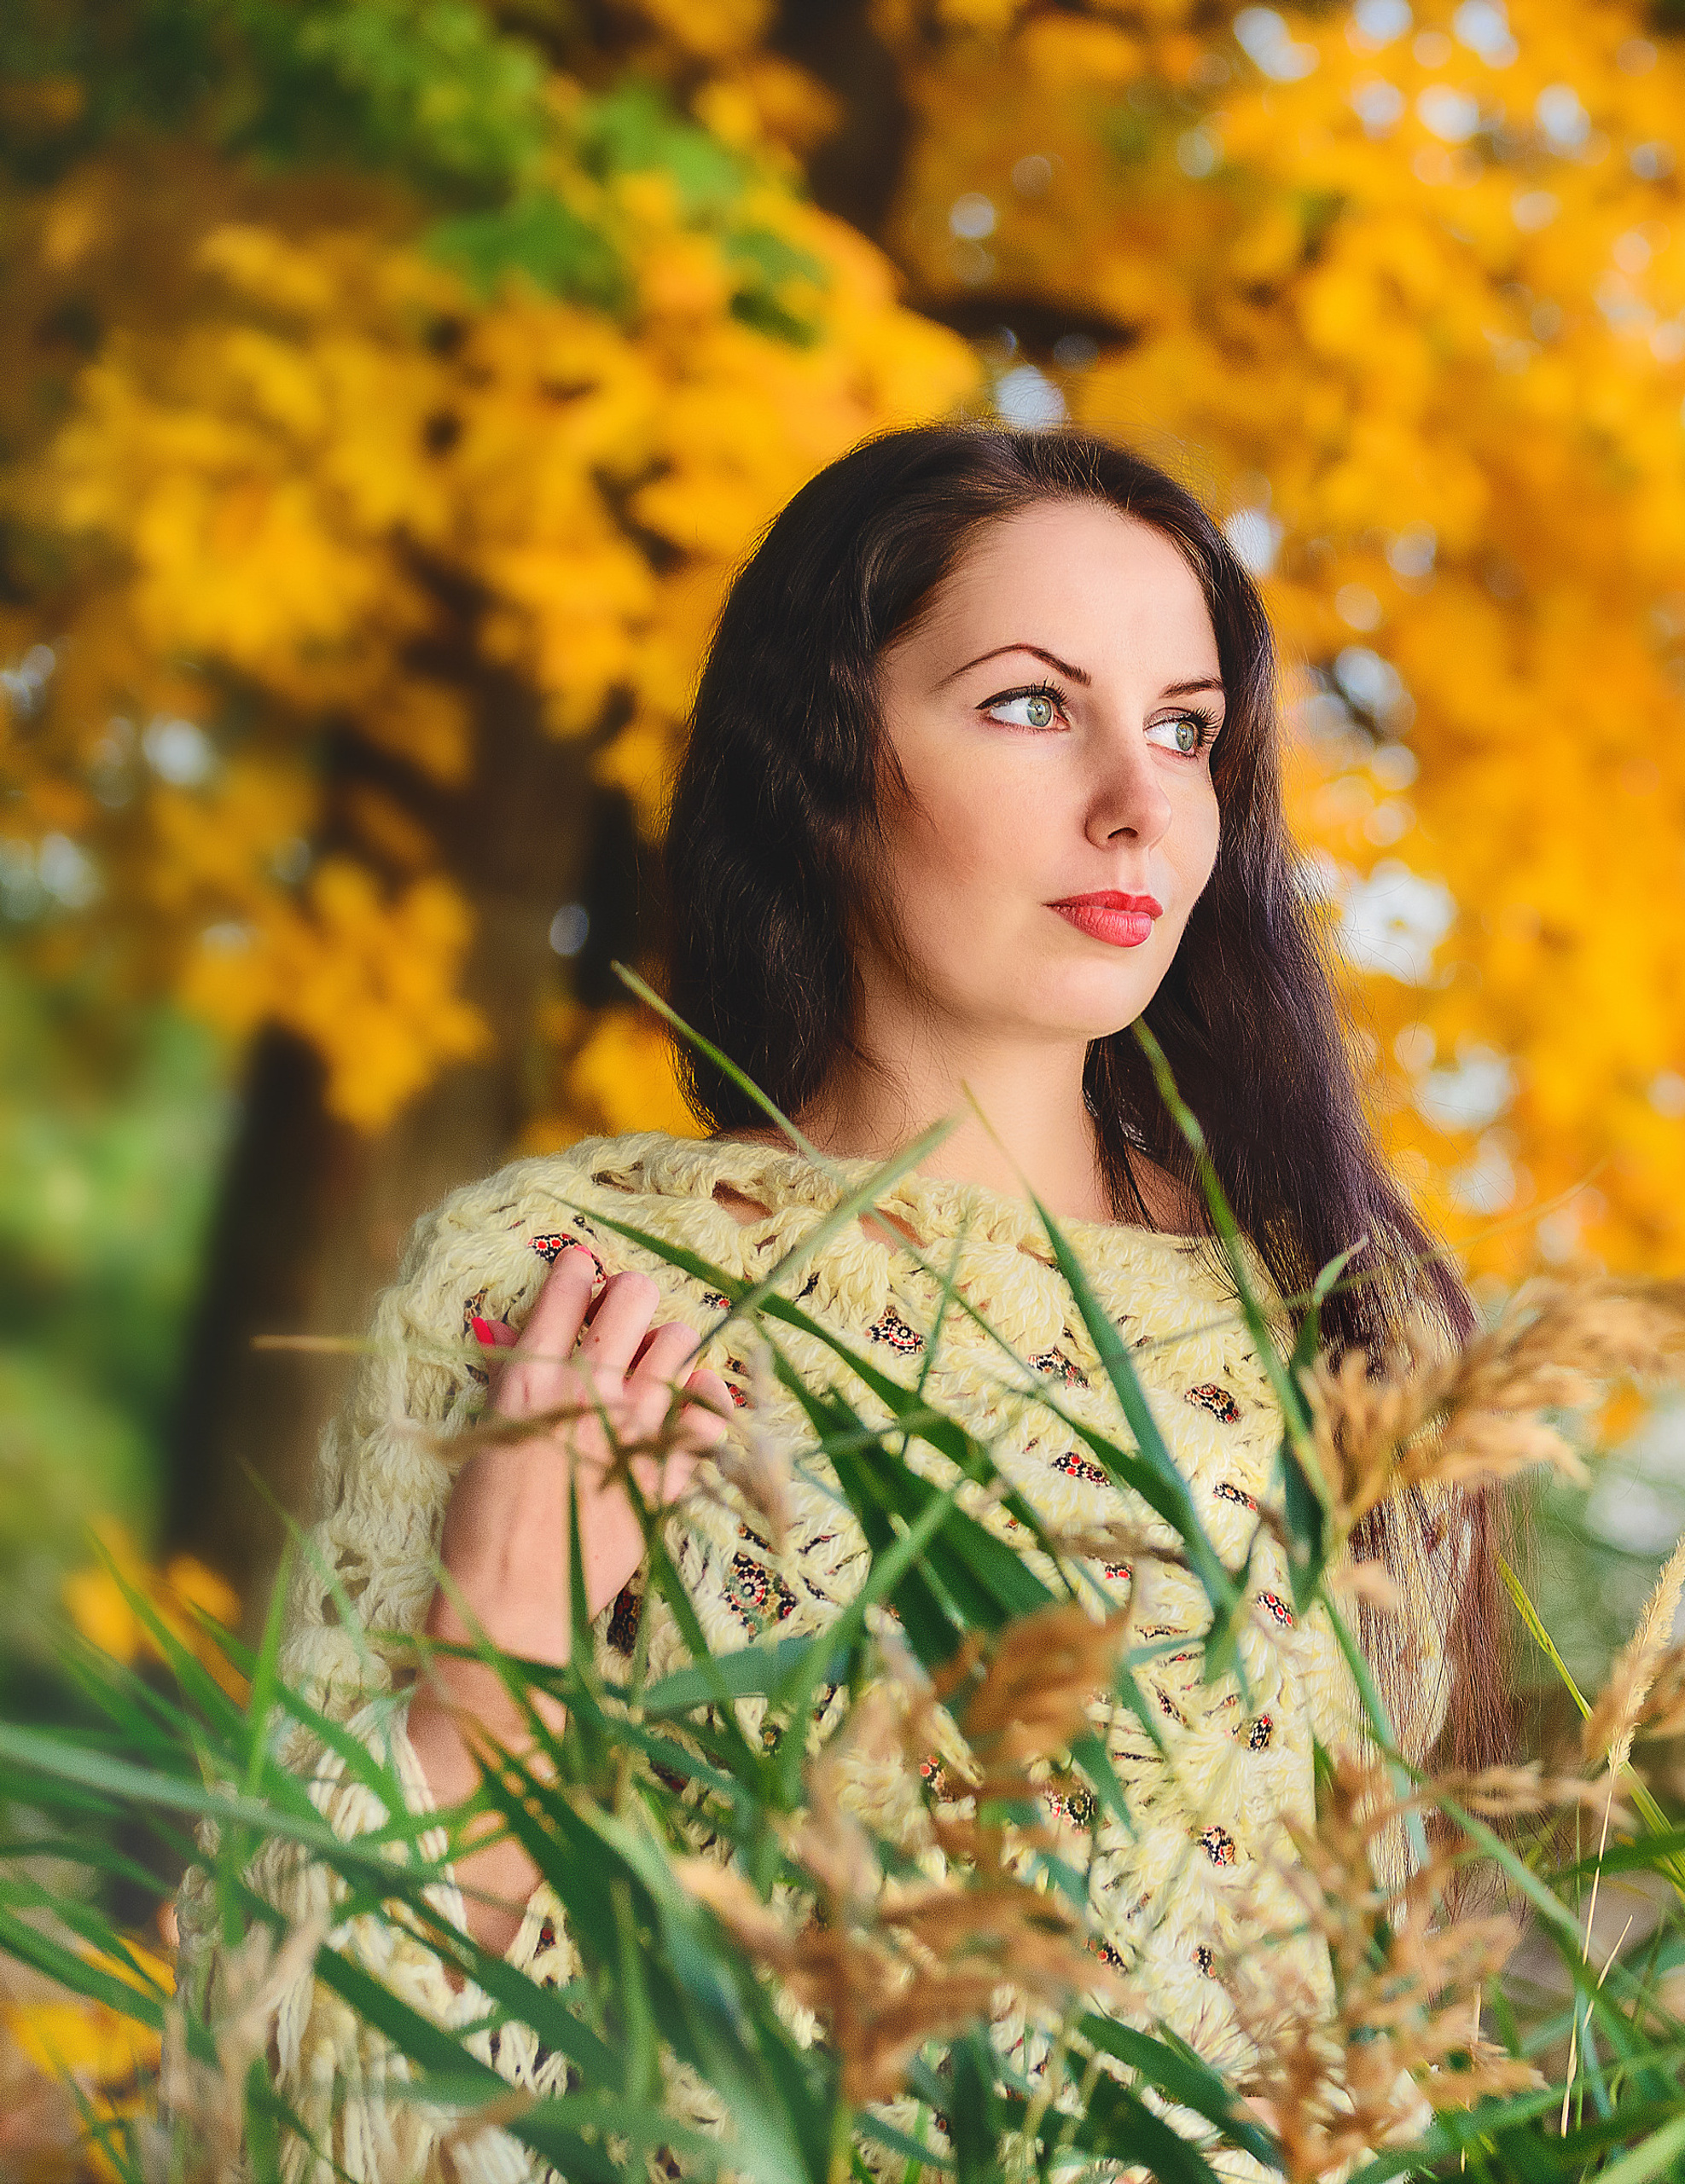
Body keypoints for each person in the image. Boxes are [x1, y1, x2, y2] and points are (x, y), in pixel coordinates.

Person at [177, 423, 1511, 2179]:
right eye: (1033, 703)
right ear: (823, 757)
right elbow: (261, 2082)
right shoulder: (578, 1275)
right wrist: (484, 1683)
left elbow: (1373, 2042)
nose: (1135, 797)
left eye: (1184, 728)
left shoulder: (1333, 1330)